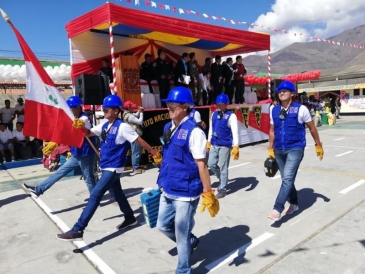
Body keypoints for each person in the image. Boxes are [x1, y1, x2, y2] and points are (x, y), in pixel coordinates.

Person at [56, 95, 162, 241]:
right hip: (106, 166)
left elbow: (139, 140)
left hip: (114, 168)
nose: (103, 111)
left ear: (116, 111)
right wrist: (81, 127)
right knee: (117, 194)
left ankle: (78, 229)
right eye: (103, 109)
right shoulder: (105, 125)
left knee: (95, 195)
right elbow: (89, 133)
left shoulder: (123, 127)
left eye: (106, 109)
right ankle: (130, 217)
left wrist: (154, 153)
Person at [156, 87, 219, 274]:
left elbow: (202, 165)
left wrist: (208, 193)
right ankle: (191, 241)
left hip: (186, 192)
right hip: (167, 187)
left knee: (180, 233)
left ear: (185, 106)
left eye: (173, 104)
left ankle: (183, 270)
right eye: (168, 104)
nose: (169, 107)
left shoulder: (194, 131)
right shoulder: (168, 127)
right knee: (162, 225)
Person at [267, 81, 324, 221]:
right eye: (280, 91)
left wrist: (318, 145)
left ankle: (277, 208)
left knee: (287, 178)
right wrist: (270, 147)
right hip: (279, 149)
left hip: (295, 149)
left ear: (292, 93)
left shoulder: (301, 109)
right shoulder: (273, 110)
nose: (281, 93)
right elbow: (272, 130)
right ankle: (294, 203)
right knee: (287, 179)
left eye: (285, 91)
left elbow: (312, 128)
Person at [23, 96, 97, 197]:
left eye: (71, 108)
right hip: (76, 153)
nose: (69, 110)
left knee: (88, 178)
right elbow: (64, 132)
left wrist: (81, 126)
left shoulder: (84, 118)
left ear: (78, 108)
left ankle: (95, 199)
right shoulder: (72, 119)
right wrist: (55, 142)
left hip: (85, 154)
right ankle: (38, 190)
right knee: (59, 172)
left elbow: (84, 125)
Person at [206, 94, 239, 199]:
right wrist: (208, 142)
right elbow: (211, 128)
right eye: (218, 104)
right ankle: (222, 179)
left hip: (225, 145)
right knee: (211, 163)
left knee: (224, 167)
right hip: (214, 143)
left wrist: (236, 146)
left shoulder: (231, 116)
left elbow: (235, 132)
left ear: (226, 104)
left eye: (221, 104)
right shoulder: (214, 114)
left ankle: (223, 188)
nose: (219, 106)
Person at [123, 101, 145, 175]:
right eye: (132, 107)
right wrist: (141, 112)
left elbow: (135, 115)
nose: (133, 108)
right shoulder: (129, 116)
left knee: (136, 151)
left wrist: (139, 111)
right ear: (128, 108)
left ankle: (136, 166)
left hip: (133, 135)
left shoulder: (127, 114)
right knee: (136, 151)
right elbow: (140, 121)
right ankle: (135, 168)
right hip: (134, 135)